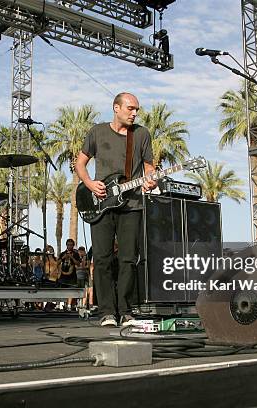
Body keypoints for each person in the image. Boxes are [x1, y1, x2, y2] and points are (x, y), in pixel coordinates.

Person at [75, 92, 157, 327]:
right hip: (100, 203)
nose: (135, 113)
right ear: (116, 108)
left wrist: (151, 180)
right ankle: (107, 312)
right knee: (102, 258)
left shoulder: (141, 134)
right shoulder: (97, 132)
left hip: (132, 205)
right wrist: (90, 184)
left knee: (128, 259)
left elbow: (149, 167)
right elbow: (80, 163)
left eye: (137, 110)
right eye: (130, 108)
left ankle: (126, 310)